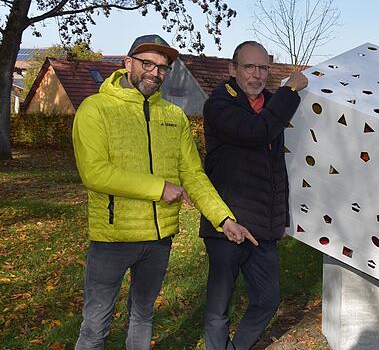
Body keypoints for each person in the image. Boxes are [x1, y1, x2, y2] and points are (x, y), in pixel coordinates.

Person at [72, 34, 254, 350]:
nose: (155, 73)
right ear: (127, 63)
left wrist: (224, 219)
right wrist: (159, 188)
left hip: (158, 240)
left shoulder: (173, 116)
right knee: (94, 328)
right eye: (147, 64)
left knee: (142, 319)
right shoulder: (95, 109)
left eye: (162, 68)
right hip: (112, 239)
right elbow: (95, 172)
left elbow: (194, 176)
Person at [200, 41, 308, 350]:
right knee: (218, 308)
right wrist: (290, 92)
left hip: (262, 227)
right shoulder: (219, 104)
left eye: (263, 68)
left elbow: (278, 168)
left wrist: (281, 220)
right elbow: (255, 132)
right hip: (228, 223)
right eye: (249, 67)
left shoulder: (272, 104)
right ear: (232, 69)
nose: (257, 75)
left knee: (267, 300)